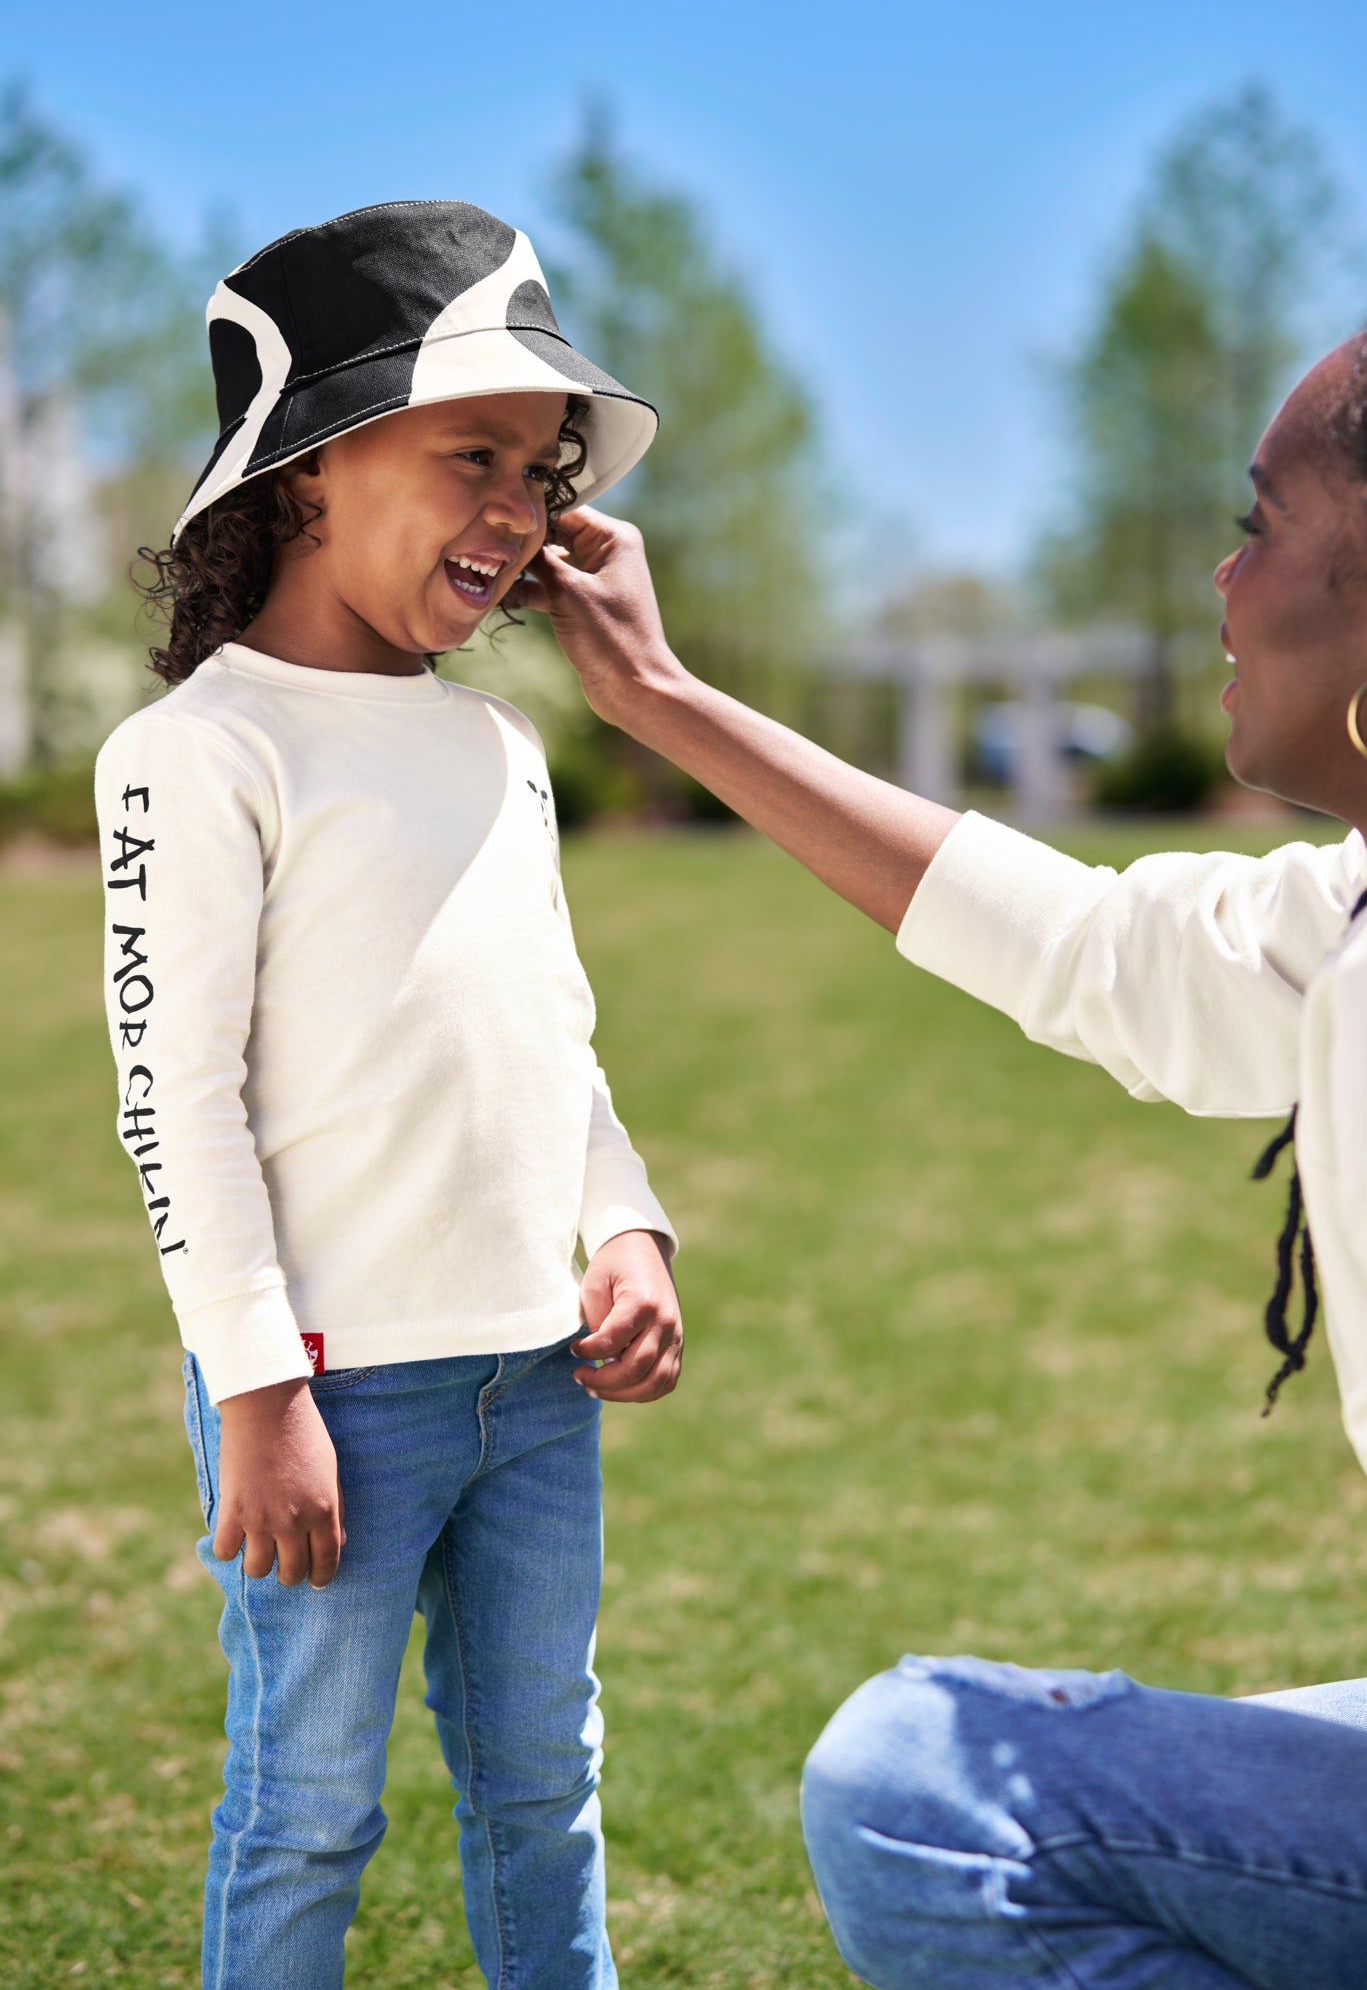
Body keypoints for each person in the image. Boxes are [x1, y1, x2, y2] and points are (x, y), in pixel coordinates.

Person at [520, 332, 1367, 1987]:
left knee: (928, 1788)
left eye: (1261, 522)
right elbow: (1089, 950)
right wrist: (667, 702)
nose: (1224, 571)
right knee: (1197, 1769)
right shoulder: (1345, 915)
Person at [94, 200, 681, 1990]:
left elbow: (550, 1031)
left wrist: (624, 1216)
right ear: (308, 476)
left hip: (534, 1374)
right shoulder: (198, 751)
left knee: (543, 1790)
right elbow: (171, 1095)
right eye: (471, 455)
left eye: (542, 467)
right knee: (309, 1807)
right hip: (330, 1393)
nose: (517, 508)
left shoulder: (502, 748)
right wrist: (258, 1384)